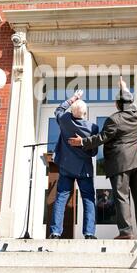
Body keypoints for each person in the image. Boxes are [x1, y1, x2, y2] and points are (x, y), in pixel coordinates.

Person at [68, 77, 137, 240]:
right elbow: (129, 102)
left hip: (121, 162)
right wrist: (124, 87)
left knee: (122, 196)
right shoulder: (136, 114)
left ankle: (126, 232)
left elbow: (101, 138)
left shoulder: (115, 119)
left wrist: (82, 142)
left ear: (118, 105)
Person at [49, 89, 99, 240]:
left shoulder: (65, 120)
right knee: (88, 200)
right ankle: (89, 233)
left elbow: (58, 109)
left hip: (66, 167)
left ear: (72, 112)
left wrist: (74, 98)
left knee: (61, 198)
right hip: (84, 170)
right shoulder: (93, 128)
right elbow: (94, 153)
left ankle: (56, 232)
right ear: (85, 113)